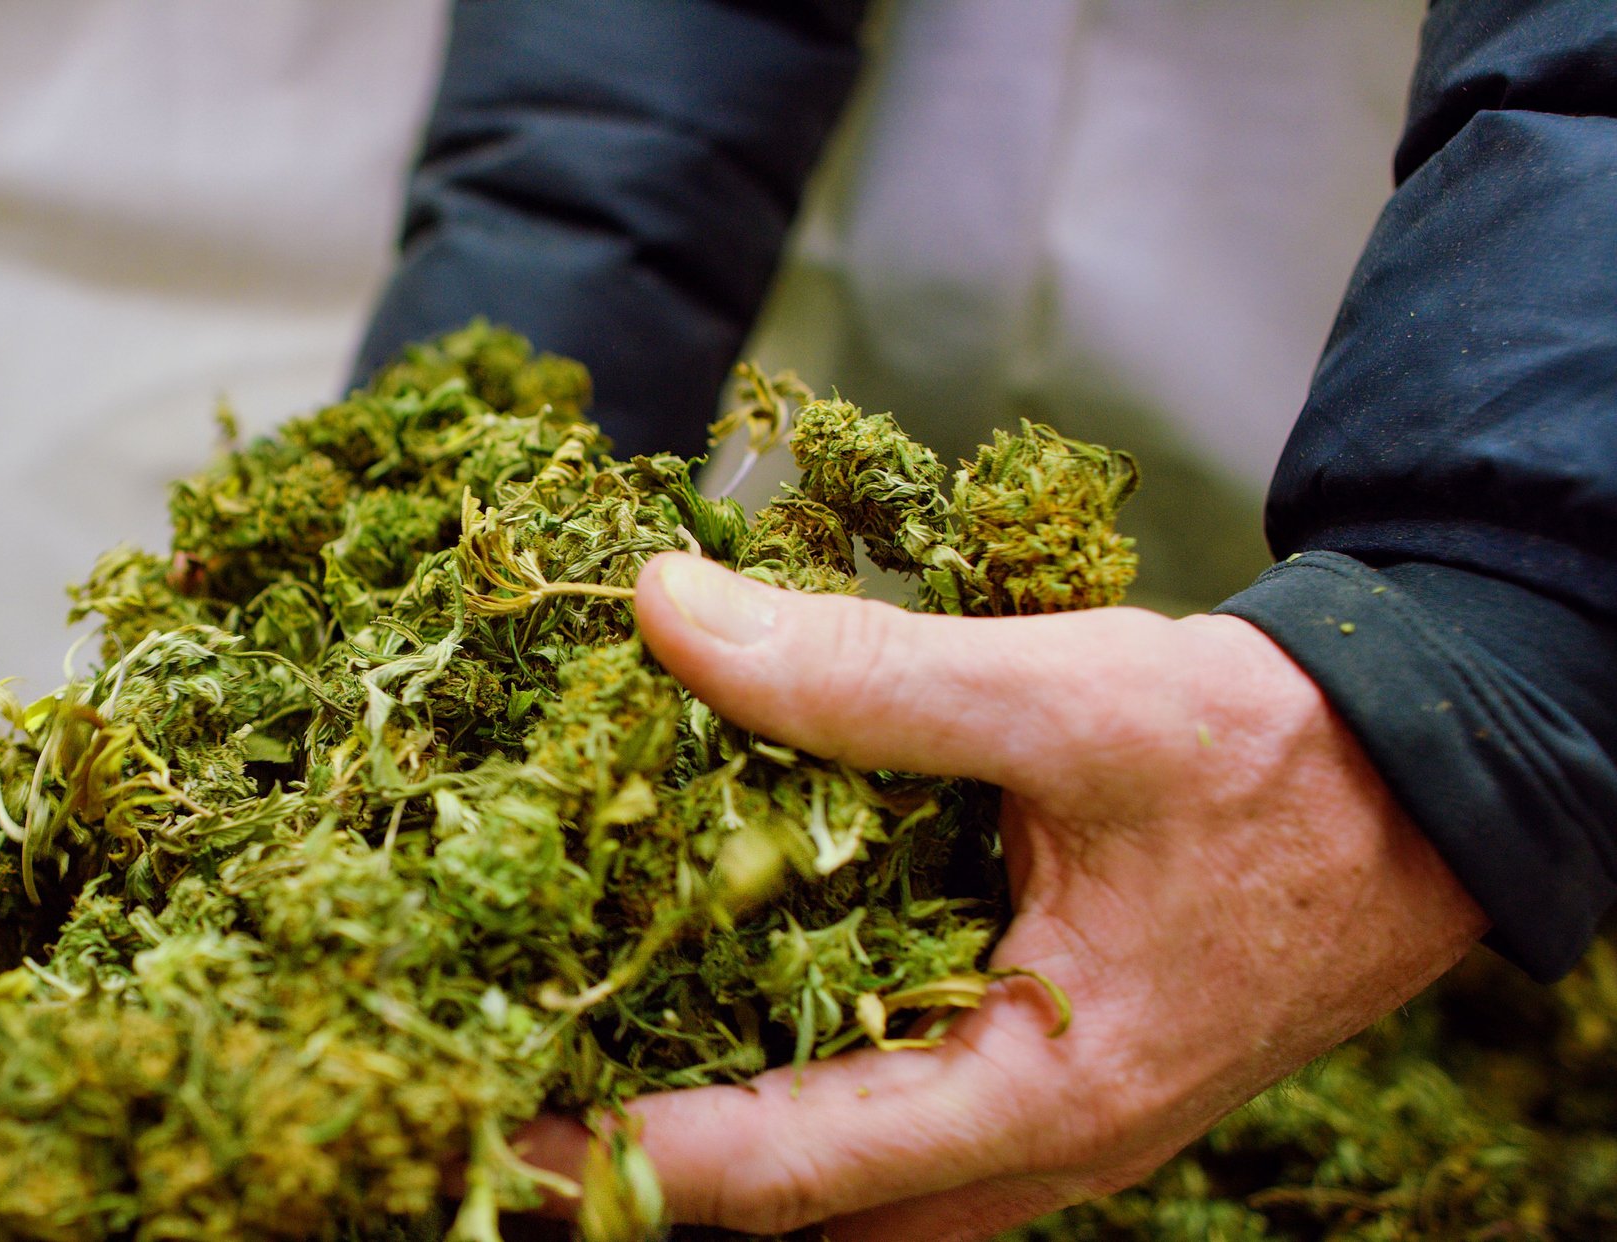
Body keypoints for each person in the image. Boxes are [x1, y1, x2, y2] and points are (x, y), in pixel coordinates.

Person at [354, 1, 1617, 1235]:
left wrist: (1488, 613)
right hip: (817, 343)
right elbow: (610, 109)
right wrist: (497, 431)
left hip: (1407, 343)